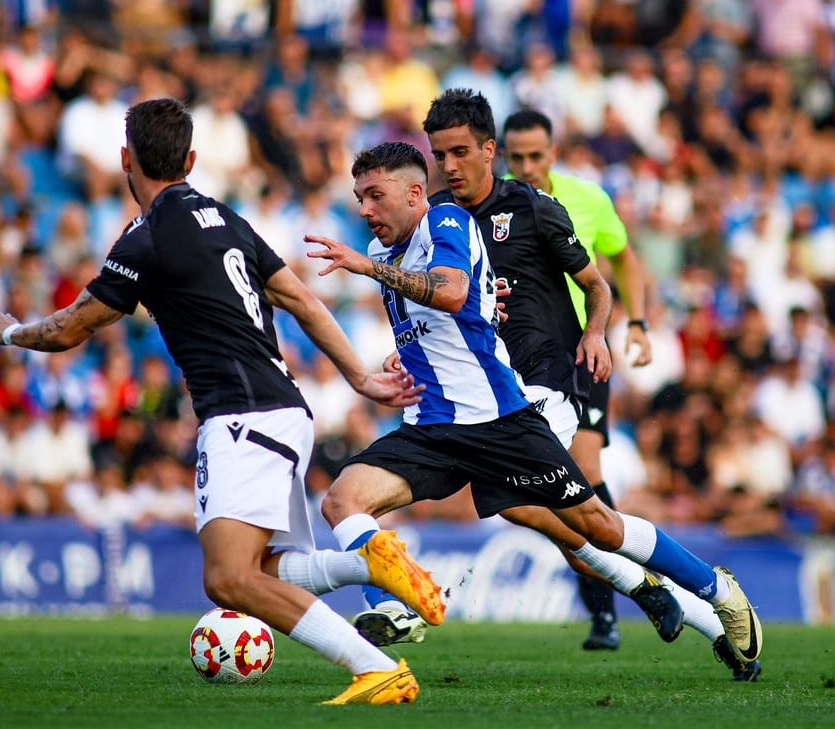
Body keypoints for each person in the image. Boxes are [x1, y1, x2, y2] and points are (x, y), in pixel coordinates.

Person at [0, 97, 444, 706]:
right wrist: (357, 374)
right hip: (285, 411)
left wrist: (9, 330)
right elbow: (300, 299)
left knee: (228, 579)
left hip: (240, 418)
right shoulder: (227, 219)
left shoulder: (146, 239)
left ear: (126, 160)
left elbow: (68, 330)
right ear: (191, 159)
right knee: (262, 572)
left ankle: (374, 666)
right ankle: (368, 566)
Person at [300, 140, 762, 676]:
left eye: (375, 196)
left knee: (600, 527)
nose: (364, 210)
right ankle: (395, 609)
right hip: (431, 428)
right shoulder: (389, 259)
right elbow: (444, 325)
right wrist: (398, 362)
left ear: (414, 193)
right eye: (359, 199)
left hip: (500, 422)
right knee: (342, 501)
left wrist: (366, 268)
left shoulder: (445, 221)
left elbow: (451, 294)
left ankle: (717, 590)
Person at [421, 89, 760, 679]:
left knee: (577, 508)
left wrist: (602, 333)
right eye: (438, 155)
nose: (448, 167)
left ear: (488, 150)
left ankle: (672, 595)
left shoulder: (540, 207)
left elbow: (600, 282)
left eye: (458, 153)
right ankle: (690, 598)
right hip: (486, 392)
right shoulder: (440, 222)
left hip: (551, 380)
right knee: (563, 517)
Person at [501, 107, 652, 652]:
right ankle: (627, 575)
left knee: (583, 469)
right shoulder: (490, 208)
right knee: (543, 487)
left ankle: (609, 607)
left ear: (554, 153)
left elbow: (623, 257)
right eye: (516, 158)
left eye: (536, 156)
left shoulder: (587, 199)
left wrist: (637, 322)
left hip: (582, 350)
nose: (527, 166)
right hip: (515, 360)